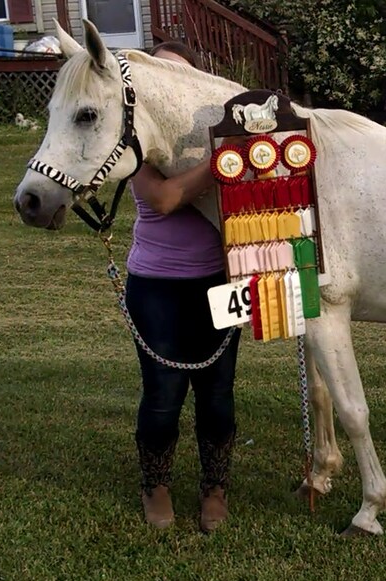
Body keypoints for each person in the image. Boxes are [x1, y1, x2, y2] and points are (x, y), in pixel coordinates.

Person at [125, 41, 241, 533]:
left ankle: (214, 488)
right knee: (162, 395)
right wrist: (226, 162)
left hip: (221, 282)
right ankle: (157, 485)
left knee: (218, 395)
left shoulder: (216, 139)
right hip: (156, 287)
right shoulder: (139, 149)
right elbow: (168, 198)